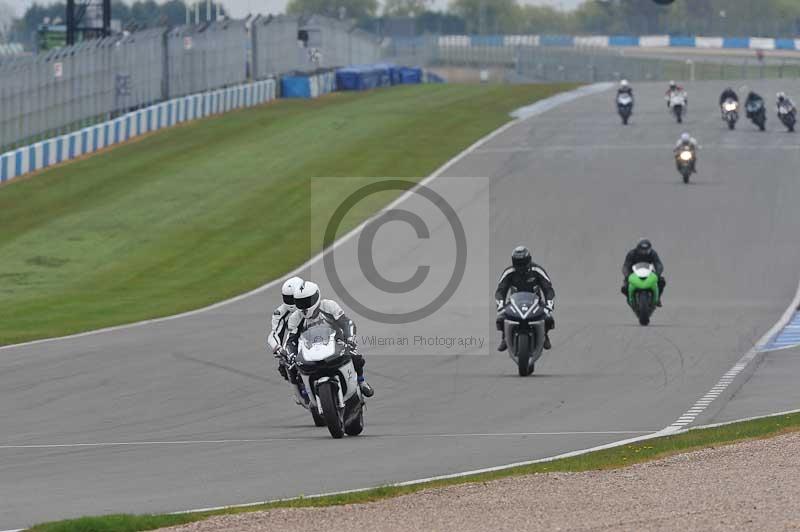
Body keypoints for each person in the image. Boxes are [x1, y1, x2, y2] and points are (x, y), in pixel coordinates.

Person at [285, 281, 374, 397]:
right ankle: (302, 394)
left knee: (355, 356)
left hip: (335, 343)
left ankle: (361, 381)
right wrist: (291, 354)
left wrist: (350, 339)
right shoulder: (295, 318)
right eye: (300, 302)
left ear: (316, 297)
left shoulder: (329, 306)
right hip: (309, 349)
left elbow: (346, 323)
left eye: (306, 301)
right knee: (291, 367)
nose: (303, 306)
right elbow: (291, 340)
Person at [495, 246, 555, 352]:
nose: (520, 265)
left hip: (536, 303)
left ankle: (544, 335)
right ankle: (505, 337)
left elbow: (548, 288)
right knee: (501, 318)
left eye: (523, 262)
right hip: (514, 303)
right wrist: (500, 305)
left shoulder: (537, 270)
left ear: (529, 260)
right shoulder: (509, 272)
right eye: (518, 262)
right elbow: (500, 290)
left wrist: (549, 304)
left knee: (548, 319)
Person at [267, 276, 304, 382]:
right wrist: (278, 348)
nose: (290, 301)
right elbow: (274, 333)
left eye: (293, 297)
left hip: (316, 336)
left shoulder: (312, 302)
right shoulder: (280, 313)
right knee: (284, 367)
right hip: (295, 340)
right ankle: (298, 391)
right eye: (288, 298)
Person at [621, 239, 666, 307]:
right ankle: (629, 298)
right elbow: (626, 266)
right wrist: (627, 275)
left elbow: (658, 264)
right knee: (624, 287)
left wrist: (657, 274)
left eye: (646, 250)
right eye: (642, 250)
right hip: (633, 273)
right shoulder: (631, 253)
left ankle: (658, 298)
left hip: (649, 272)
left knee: (661, 281)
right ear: (638, 249)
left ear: (650, 249)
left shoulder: (653, 253)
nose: (644, 252)